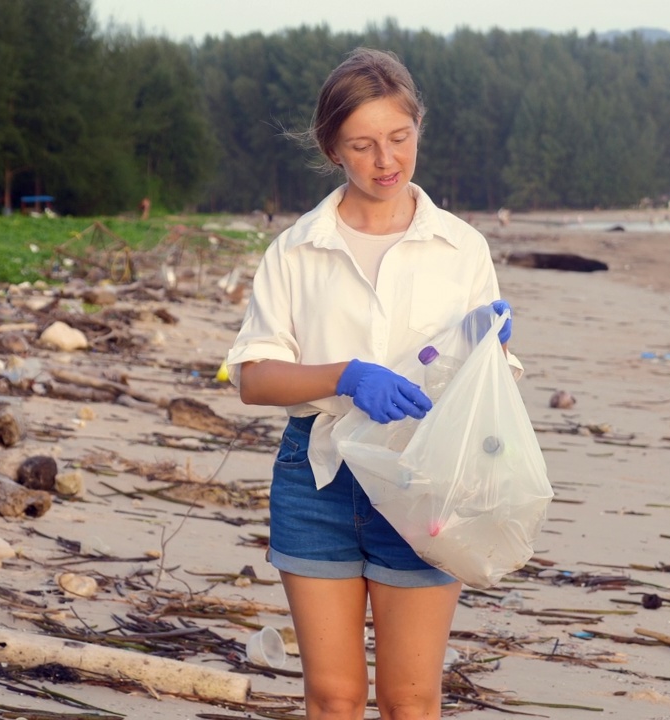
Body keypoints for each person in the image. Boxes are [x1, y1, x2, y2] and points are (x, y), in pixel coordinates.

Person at [225, 48, 517, 720]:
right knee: (333, 697)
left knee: (410, 699)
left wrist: (490, 342)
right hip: (318, 480)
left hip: (426, 479)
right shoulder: (296, 251)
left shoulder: (461, 248)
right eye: (363, 145)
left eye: (399, 138)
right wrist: (346, 378)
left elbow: (484, 383)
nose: (386, 161)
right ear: (333, 149)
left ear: (419, 128)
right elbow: (253, 377)